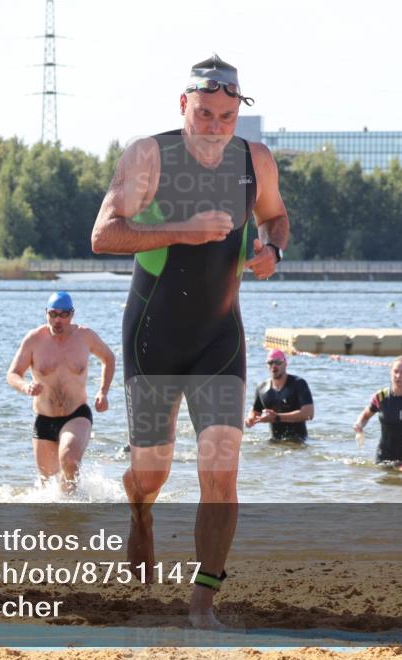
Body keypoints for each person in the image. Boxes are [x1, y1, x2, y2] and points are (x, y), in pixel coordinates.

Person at [91, 54, 289, 629]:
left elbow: (277, 219)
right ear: (184, 106)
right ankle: (141, 514)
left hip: (220, 339)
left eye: (227, 116)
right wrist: (184, 231)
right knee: (151, 473)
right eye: (204, 113)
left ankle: (203, 601)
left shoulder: (256, 161)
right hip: (152, 337)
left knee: (221, 469)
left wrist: (272, 251)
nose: (214, 126)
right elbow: (103, 235)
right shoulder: (149, 156)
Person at [7, 292, 115, 492]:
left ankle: (75, 513)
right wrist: (25, 386)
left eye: (63, 314)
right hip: (44, 419)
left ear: (72, 315)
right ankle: (60, 521)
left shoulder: (85, 336)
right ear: (46, 313)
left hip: (77, 414)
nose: (58, 319)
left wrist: (103, 392)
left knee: (69, 460)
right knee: (48, 487)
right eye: (53, 314)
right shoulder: (34, 339)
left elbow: (109, 358)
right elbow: (12, 374)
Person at [245, 349, 313, 443]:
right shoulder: (262, 388)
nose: (274, 366)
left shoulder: (298, 383)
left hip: (298, 443)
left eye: (278, 362)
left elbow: (309, 414)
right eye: (270, 363)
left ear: (285, 363)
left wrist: (276, 417)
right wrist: (250, 419)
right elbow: (255, 410)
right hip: (274, 443)